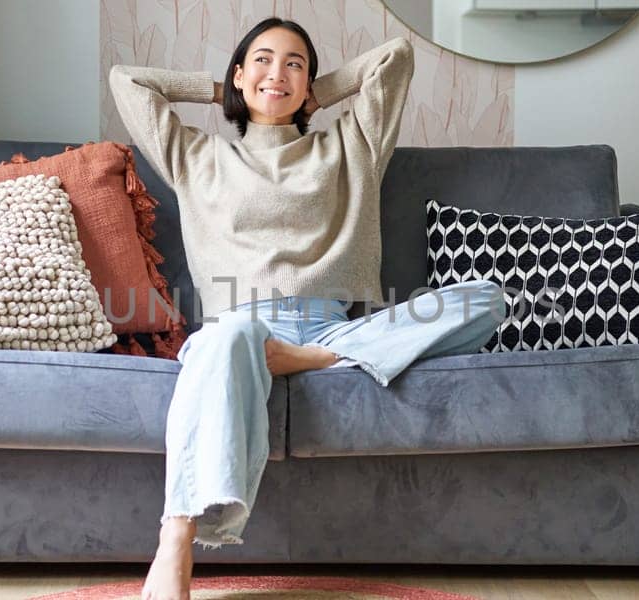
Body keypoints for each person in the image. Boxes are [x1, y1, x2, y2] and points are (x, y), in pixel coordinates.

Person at [108, 17, 506, 600]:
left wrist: (313, 93)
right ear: (239, 74)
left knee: (486, 298)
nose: (279, 73)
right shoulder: (196, 156)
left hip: (334, 329)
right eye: (263, 60)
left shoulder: (351, 147)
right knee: (226, 337)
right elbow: (127, 80)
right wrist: (223, 89)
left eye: (295, 64)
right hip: (239, 332)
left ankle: (307, 357)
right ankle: (176, 537)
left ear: (312, 85)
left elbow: (394, 56)